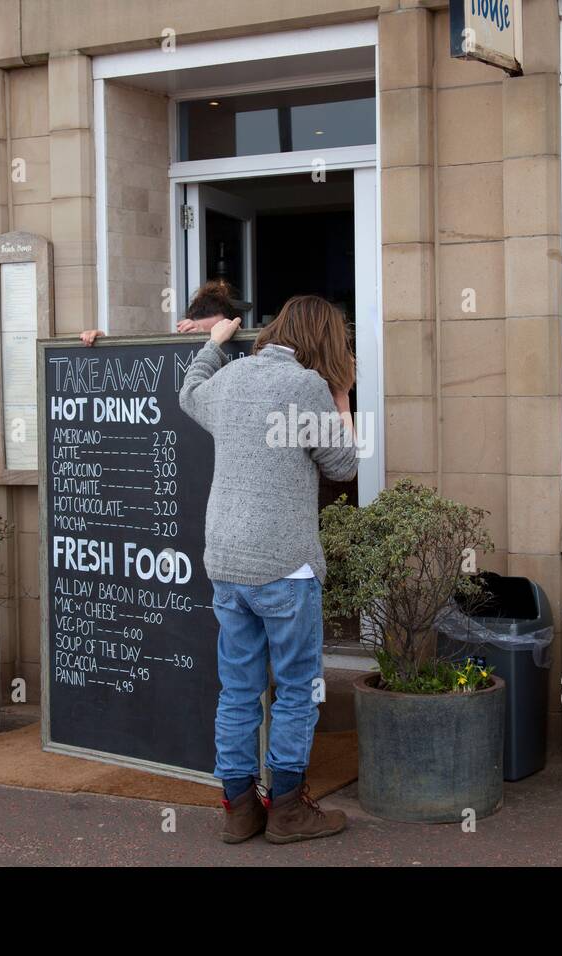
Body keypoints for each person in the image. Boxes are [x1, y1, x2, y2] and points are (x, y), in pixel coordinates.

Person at [179, 295, 358, 845]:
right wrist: (342, 394)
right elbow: (345, 465)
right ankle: (287, 809)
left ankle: (238, 809)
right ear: (325, 342)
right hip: (284, 565)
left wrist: (213, 344)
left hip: (227, 562)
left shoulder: (230, 379)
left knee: (238, 689)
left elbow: (188, 394)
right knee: (297, 690)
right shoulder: (305, 387)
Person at [79, 278, 236, 345]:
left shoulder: (247, 359)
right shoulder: (174, 360)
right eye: (203, 335)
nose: (214, 340)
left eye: (219, 332)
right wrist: (104, 348)